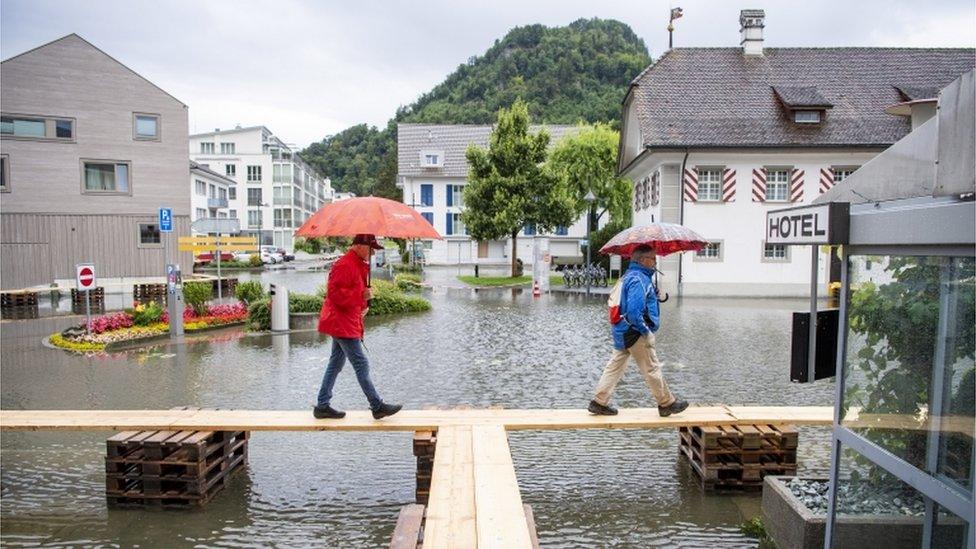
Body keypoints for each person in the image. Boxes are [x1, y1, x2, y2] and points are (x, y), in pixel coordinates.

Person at [589, 245, 689, 417]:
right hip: (635, 332)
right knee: (651, 368)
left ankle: (598, 402)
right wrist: (646, 332)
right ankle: (666, 403)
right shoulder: (639, 279)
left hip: (622, 330)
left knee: (614, 367)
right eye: (652, 258)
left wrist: (652, 293)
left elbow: (631, 301)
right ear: (643, 260)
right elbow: (634, 312)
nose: (655, 261)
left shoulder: (632, 276)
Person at [314, 234, 402, 420]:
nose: (372, 253)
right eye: (371, 249)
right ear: (360, 246)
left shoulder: (357, 264)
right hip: (342, 322)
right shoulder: (345, 264)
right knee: (360, 363)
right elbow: (335, 295)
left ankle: (322, 405)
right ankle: (377, 406)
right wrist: (361, 296)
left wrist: (363, 304)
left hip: (345, 320)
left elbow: (352, 293)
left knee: (336, 363)